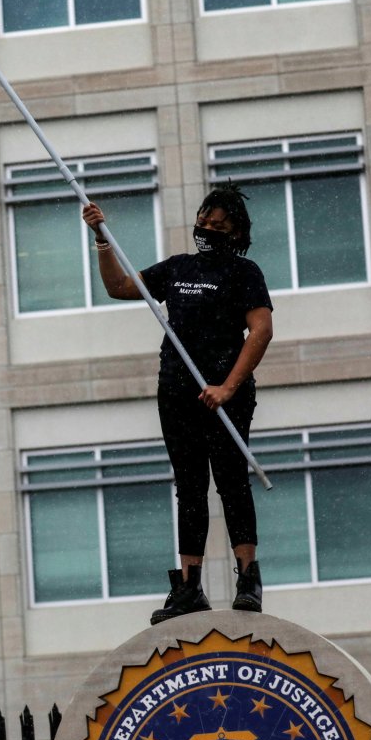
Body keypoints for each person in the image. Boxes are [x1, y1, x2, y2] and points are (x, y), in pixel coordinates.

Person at [82, 182, 273, 625]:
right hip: (177, 393)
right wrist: (101, 238)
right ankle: (189, 588)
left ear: (237, 233)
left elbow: (261, 331)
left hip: (226, 395)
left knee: (230, 481)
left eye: (219, 225)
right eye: (205, 222)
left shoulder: (245, 273)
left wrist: (227, 386)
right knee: (189, 487)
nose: (208, 229)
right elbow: (118, 286)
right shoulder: (177, 268)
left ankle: (248, 579)